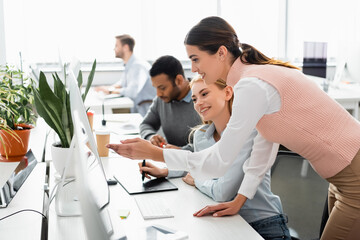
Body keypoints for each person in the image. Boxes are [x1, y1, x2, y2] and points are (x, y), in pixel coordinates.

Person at [107, 17, 360, 240]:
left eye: (195, 59)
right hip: (340, 177)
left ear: (220, 53)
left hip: (354, 176)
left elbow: (219, 162)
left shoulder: (251, 85)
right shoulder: (251, 79)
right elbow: (264, 146)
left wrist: (155, 154)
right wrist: (240, 199)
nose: (193, 68)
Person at [139, 76, 291, 239]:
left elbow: (222, 192)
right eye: (194, 99)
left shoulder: (248, 132)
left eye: (204, 94)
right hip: (226, 222)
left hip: (263, 225)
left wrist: (197, 181)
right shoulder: (201, 136)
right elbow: (198, 167)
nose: (198, 103)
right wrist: (165, 171)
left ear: (227, 93)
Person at [140, 55, 202, 150]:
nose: (158, 94)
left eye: (162, 88)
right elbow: (146, 124)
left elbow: (211, 143)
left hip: (196, 161)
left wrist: (180, 152)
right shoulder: (161, 99)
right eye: (156, 88)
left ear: (179, 80)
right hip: (171, 159)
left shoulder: (202, 99)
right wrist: (150, 136)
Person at [95, 34, 156, 116]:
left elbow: (132, 92)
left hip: (143, 109)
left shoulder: (138, 66)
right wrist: (107, 88)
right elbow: (122, 83)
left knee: (111, 112)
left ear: (126, 47)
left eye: (116, 46)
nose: (114, 49)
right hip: (134, 105)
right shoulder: (129, 64)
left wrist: (110, 91)